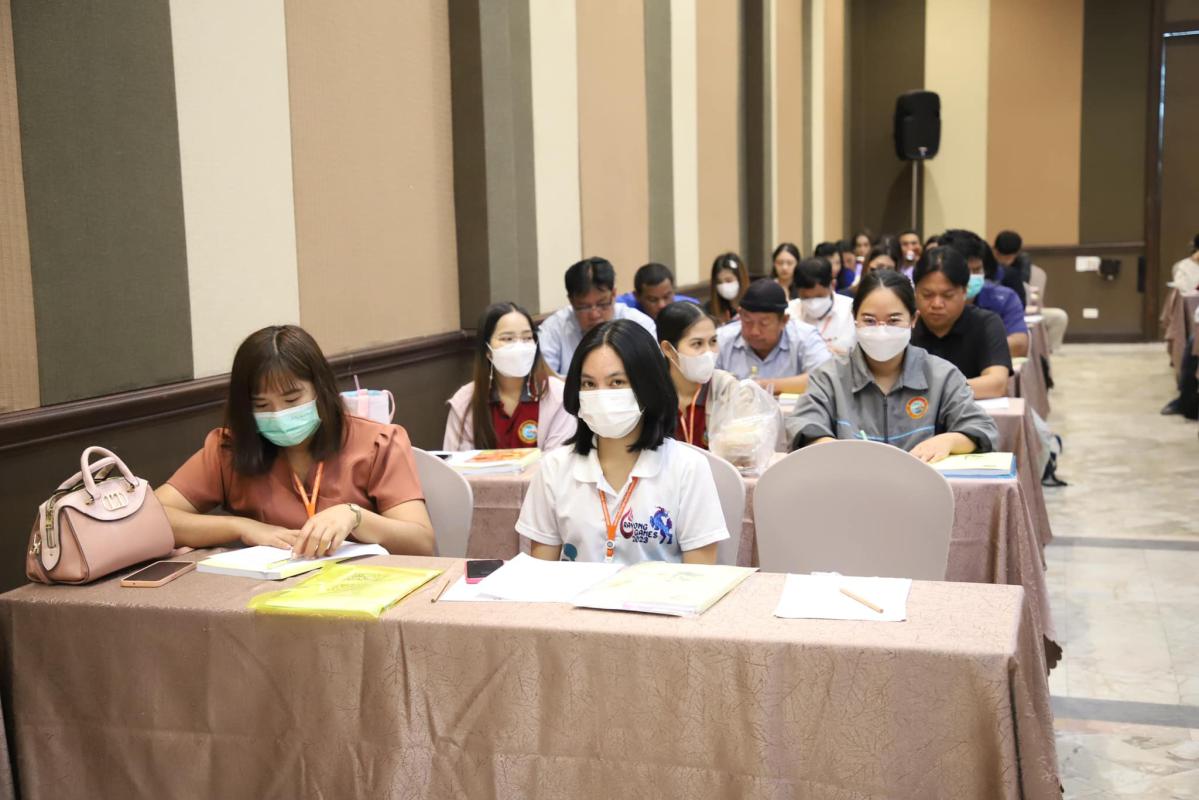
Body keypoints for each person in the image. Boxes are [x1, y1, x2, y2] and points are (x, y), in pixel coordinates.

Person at [156, 325, 435, 557]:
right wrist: (241, 527)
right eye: (262, 405)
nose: (278, 415)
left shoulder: (377, 443)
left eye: (292, 399)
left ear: (320, 388)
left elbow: (421, 543)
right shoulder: (228, 449)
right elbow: (154, 518)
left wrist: (355, 516)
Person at [515, 319, 729, 564]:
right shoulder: (554, 468)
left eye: (617, 382)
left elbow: (699, 576)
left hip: (659, 591)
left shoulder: (688, 468)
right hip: (578, 591)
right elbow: (542, 573)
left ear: (647, 387)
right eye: (589, 384)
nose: (601, 395)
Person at [786, 270, 998, 461]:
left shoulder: (941, 375)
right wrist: (829, 448)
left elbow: (982, 428)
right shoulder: (829, 376)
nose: (881, 331)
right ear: (854, 319)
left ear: (913, 319)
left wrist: (948, 441)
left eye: (894, 320)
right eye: (869, 320)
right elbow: (803, 424)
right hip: (849, 483)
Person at [444, 302, 577, 451]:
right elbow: (456, 461)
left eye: (527, 338)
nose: (519, 346)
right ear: (487, 350)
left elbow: (557, 460)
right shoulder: (465, 401)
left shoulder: (557, 395)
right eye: (508, 339)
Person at [910, 247, 1012, 399]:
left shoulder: (986, 323)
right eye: (927, 295)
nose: (937, 304)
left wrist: (934, 391)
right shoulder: (904, 326)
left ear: (964, 292)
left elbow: (997, 385)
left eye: (947, 295)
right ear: (915, 292)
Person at [539, 257, 656, 374]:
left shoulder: (640, 324)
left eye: (602, 304)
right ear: (571, 301)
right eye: (584, 307)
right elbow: (545, 379)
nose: (594, 315)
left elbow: (652, 375)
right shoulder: (553, 328)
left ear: (614, 294)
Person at [716, 279, 832, 394]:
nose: (755, 331)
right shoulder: (721, 339)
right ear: (740, 314)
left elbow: (825, 378)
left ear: (784, 321)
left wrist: (762, 386)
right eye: (747, 321)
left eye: (764, 323)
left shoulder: (805, 337)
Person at [939, 233, 1029, 357]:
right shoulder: (931, 300)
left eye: (977, 270)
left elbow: (1019, 345)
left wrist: (967, 351)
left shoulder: (1004, 298)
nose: (972, 277)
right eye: (966, 271)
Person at [993, 229, 1069, 353]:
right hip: (998, 313)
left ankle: (1049, 355)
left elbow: (1024, 288)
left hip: (1023, 311)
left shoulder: (1022, 262)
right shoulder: (989, 265)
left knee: (1059, 317)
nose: (1005, 261)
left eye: (1009, 257)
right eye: (1002, 257)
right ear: (995, 251)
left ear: (1017, 253)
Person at [788, 257, 855, 356]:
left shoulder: (850, 310)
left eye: (819, 296)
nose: (813, 304)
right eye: (806, 298)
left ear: (832, 285)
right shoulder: (789, 313)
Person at [615, 262, 698, 321]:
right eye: (653, 300)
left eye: (666, 297)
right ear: (637, 296)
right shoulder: (621, 309)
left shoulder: (691, 308)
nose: (662, 305)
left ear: (673, 291)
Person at [708, 251, 749, 325]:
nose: (723, 286)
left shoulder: (754, 304)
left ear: (740, 279)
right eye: (719, 282)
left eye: (728, 280)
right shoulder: (709, 309)